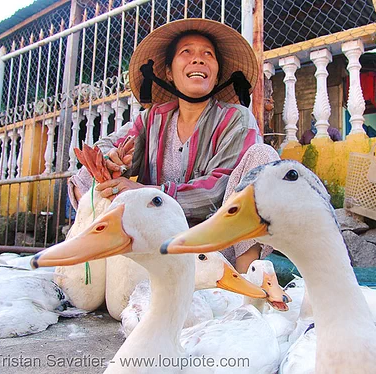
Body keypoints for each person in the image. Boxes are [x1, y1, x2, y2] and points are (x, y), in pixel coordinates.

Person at [68, 19, 279, 273]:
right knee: (88, 172)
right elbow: (104, 147)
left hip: (211, 249)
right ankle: (89, 264)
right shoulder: (152, 118)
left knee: (263, 157)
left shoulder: (236, 118)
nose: (198, 60)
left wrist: (146, 192)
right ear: (169, 72)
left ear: (217, 73)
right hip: (153, 244)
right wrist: (112, 160)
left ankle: (246, 281)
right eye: (186, 52)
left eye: (207, 54)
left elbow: (216, 191)